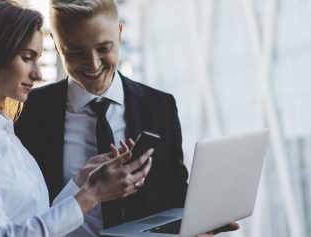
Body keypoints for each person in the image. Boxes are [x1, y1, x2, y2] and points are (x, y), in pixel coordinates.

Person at [0, 1, 153, 236]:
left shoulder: (1, 128)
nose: (38, 73)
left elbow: (38, 220)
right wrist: (91, 195)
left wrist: (82, 180)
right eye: (26, 57)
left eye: (38, 58)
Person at [14, 0, 239, 236]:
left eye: (104, 48)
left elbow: (176, 195)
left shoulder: (160, 106)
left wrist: (200, 226)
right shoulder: (28, 111)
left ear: (119, 34)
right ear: (57, 45)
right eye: (76, 52)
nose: (93, 64)